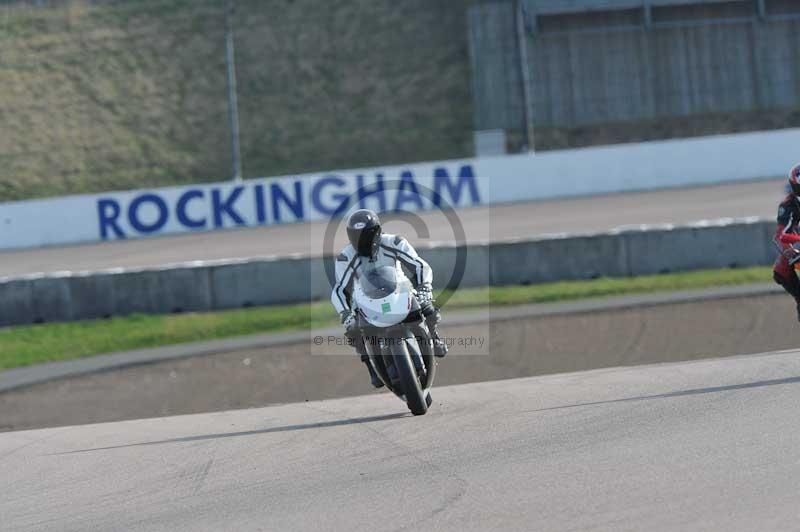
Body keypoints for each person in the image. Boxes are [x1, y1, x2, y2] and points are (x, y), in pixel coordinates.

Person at [331, 209, 448, 388]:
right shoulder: (345, 257)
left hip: (400, 292)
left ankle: (433, 336)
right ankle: (371, 365)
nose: (360, 241)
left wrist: (424, 288)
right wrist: (345, 314)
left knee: (428, 308)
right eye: (355, 236)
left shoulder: (394, 242)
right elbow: (339, 290)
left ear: (377, 231)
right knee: (354, 330)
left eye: (365, 235)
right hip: (365, 302)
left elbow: (420, 265)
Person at [773, 164, 800, 321]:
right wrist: (790, 251)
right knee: (780, 269)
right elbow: (780, 235)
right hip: (797, 244)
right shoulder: (788, 206)